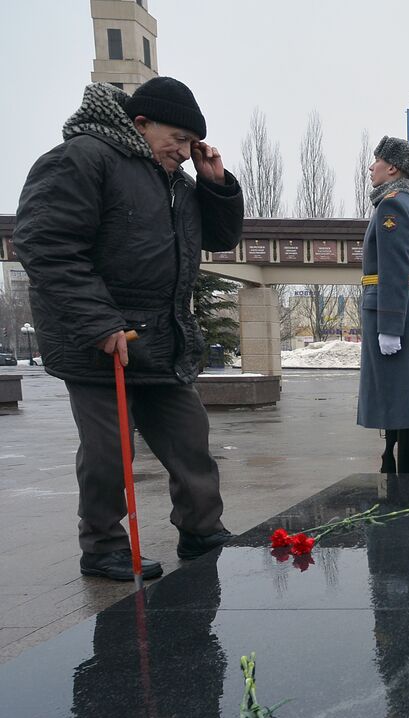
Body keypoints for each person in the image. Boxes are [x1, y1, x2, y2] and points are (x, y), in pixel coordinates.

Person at [14, 78, 244, 580]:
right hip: (101, 342)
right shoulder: (81, 159)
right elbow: (46, 245)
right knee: (107, 452)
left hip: (162, 339)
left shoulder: (176, 181)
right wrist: (100, 322)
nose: (184, 152)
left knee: (191, 441)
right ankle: (102, 546)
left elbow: (221, 238)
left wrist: (215, 183)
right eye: (178, 139)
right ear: (141, 124)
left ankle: (201, 530)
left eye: (191, 143)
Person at [358, 136, 409, 473]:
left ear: (392, 168)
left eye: (375, 160)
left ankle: (408, 487)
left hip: (395, 315)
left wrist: (389, 327)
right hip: (405, 309)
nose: (370, 167)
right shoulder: (406, 205)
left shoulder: (391, 206)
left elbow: (394, 269)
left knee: (405, 408)